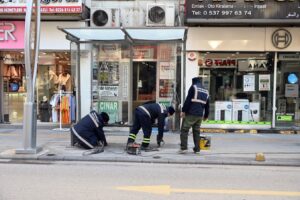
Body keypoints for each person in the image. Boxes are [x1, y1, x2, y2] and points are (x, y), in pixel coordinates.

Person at [179, 77, 210, 154]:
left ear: (194, 82)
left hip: (191, 113)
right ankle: (197, 149)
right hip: (199, 115)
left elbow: (188, 100)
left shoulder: (193, 87)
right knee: (196, 131)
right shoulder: (206, 91)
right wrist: (206, 115)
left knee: (184, 130)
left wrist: (183, 111)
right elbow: (207, 105)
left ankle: (184, 148)